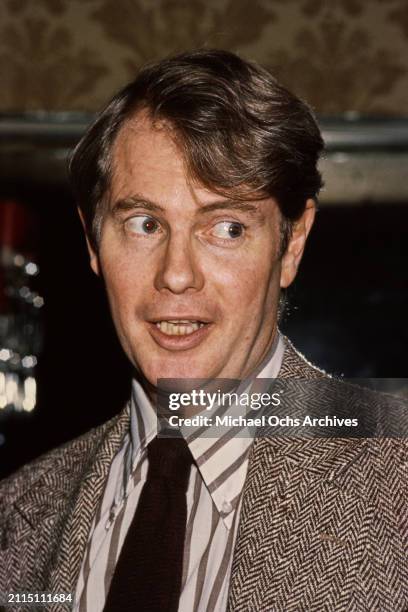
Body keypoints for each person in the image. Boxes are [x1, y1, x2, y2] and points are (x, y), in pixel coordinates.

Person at [0, 49, 407, 612]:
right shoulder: (18, 515)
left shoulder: (396, 478)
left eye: (227, 227)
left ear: (292, 244)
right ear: (93, 242)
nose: (176, 274)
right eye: (145, 224)